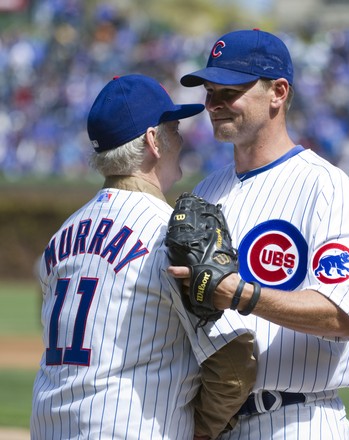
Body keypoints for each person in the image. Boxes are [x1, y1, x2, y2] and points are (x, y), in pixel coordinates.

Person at [168, 29, 349, 439]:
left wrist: (241, 293)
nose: (213, 104)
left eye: (229, 91)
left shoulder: (326, 188)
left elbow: (341, 315)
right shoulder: (205, 193)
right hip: (213, 421)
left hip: (295, 420)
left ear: (278, 92)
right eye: (210, 92)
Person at [30, 74, 256, 440]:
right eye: (174, 126)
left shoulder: (61, 237)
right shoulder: (170, 233)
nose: (180, 138)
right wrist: (200, 430)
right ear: (153, 140)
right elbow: (233, 360)